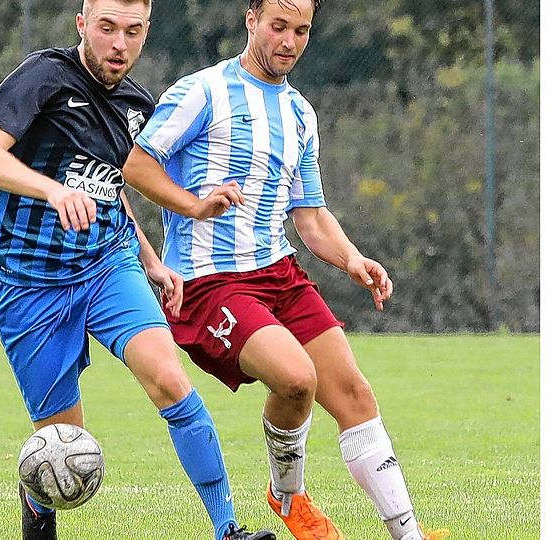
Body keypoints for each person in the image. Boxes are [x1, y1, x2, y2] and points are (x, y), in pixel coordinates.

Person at [121, 1, 450, 540]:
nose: (289, 42)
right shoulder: (200, 92)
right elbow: (135, 163)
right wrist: (194, 204)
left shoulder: (300, 113)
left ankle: (409, 536)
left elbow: (312, 216)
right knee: (296, 377)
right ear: (251, 19)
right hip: (210, 283)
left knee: (354, 395)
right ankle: (290, 497)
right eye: (278, 27)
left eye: (301, 31)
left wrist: (353, 259)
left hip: (279, 275)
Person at [0, 1, 276, 539]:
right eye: (106, 29)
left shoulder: (136, 104)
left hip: (106, 266)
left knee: (169, 379)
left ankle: (228, 530)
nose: (118, 44)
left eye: (132, 32)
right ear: (83, 24)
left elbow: (113, 188)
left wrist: (152, 261)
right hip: (28, 284)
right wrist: (51, 189)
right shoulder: (43, 79)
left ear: (146, 31)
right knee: (62, 456)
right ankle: (37, 509)